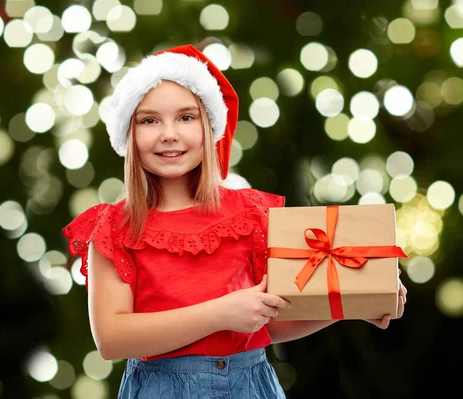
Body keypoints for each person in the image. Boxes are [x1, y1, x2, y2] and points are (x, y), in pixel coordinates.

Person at [62, 44, 407, 398]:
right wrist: (221, 313)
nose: (169, 133)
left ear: (210, 127)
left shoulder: (249, 213)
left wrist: (354, 303)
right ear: (129, 134)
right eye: (149, 120)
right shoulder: (114, 227)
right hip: (163, 388)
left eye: (186, 117)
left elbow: (267, 324)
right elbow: (112, 338)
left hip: (251, 385)